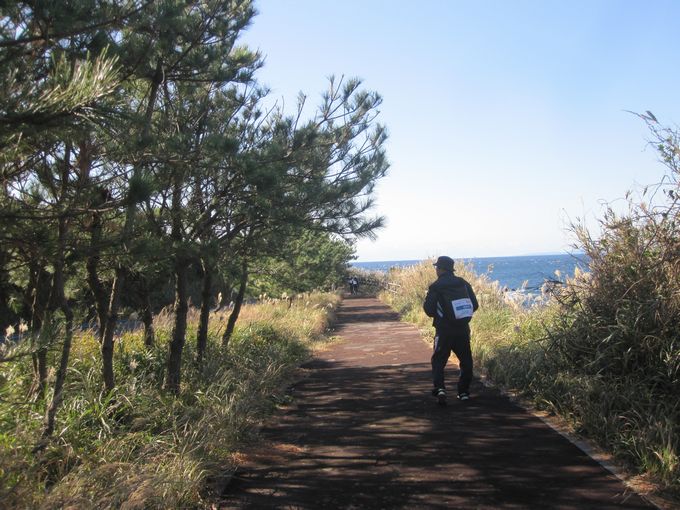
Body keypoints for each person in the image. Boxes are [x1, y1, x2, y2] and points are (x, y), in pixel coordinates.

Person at [423, 255, 479, 406]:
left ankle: (440, 389)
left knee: (438, 361)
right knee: (466, 361)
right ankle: (464, 392)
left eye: (437, 267)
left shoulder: (436, 286)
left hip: (444, 331)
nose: (436, 270)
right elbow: (474, 305)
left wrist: (442, 314)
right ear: (451, 269)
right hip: (462, 330)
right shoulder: (463, 283)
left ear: (440, 269)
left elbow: (428, 310)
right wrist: (460, 315)